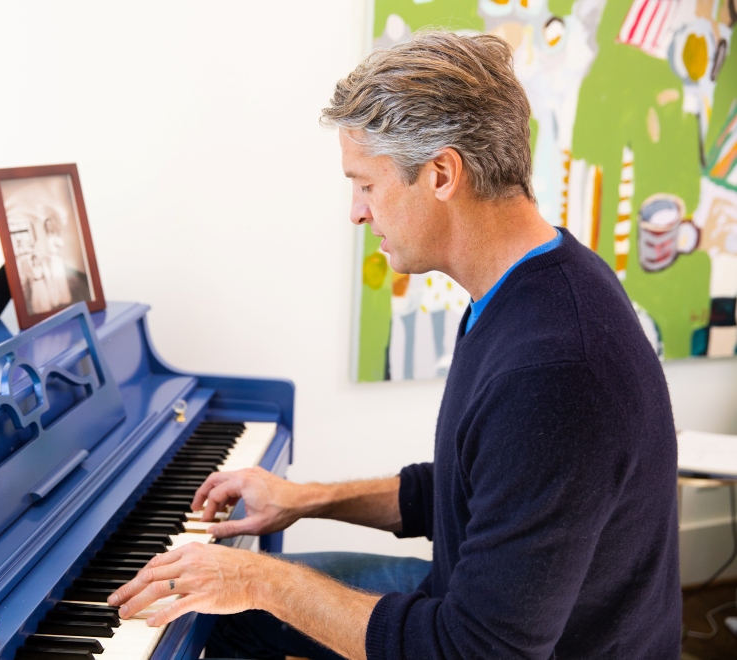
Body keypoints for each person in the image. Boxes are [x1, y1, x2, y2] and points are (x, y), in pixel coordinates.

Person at [108, 31, 681, 659]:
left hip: (507, 644)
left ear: (441, 174)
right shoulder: (536, 279)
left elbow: (474, 652)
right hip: (475, 606)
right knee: (224, 611)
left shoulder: (555, 368)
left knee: (242, 597)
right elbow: (476, 490)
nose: (356, 212)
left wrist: (257, 580)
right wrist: (305, 500)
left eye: (366, 185)